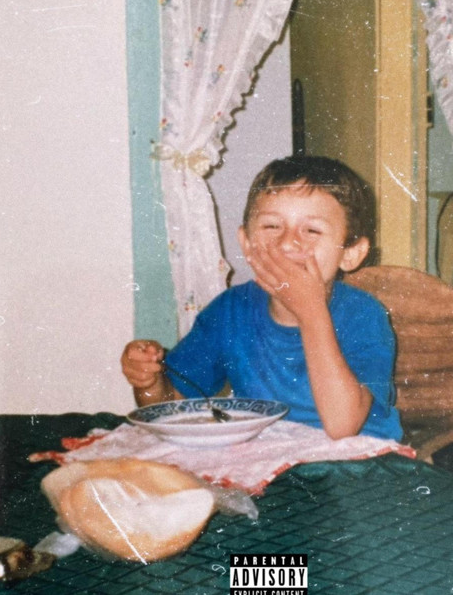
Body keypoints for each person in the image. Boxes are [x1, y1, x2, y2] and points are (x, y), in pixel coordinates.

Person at [121, 156, 402, 441]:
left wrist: (311, 313)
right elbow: (173, 407)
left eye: (312, 230)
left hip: (358, 455)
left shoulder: (364, 314)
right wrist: (149, 382)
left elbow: (342, 426)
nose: (287, 243)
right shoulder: (230, 310)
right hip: (267, 455)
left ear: (351, 253)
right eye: (272, 227)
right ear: (246, 243)